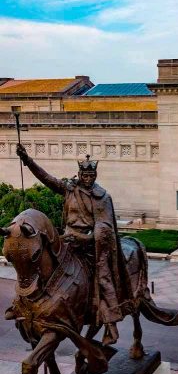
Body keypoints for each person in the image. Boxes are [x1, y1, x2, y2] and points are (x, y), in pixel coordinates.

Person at [16, 144, 133, 346]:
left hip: (91, 247)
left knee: (104, 277)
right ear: (79, 174)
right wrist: (27, 161)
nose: (88, 179)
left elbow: (104, 228)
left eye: (91, 175)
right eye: (85, 175)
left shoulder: (102, 197)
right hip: (68, 241)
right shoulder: (69, 188)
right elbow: (47, 179)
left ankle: (111, 322)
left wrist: (85, 238)